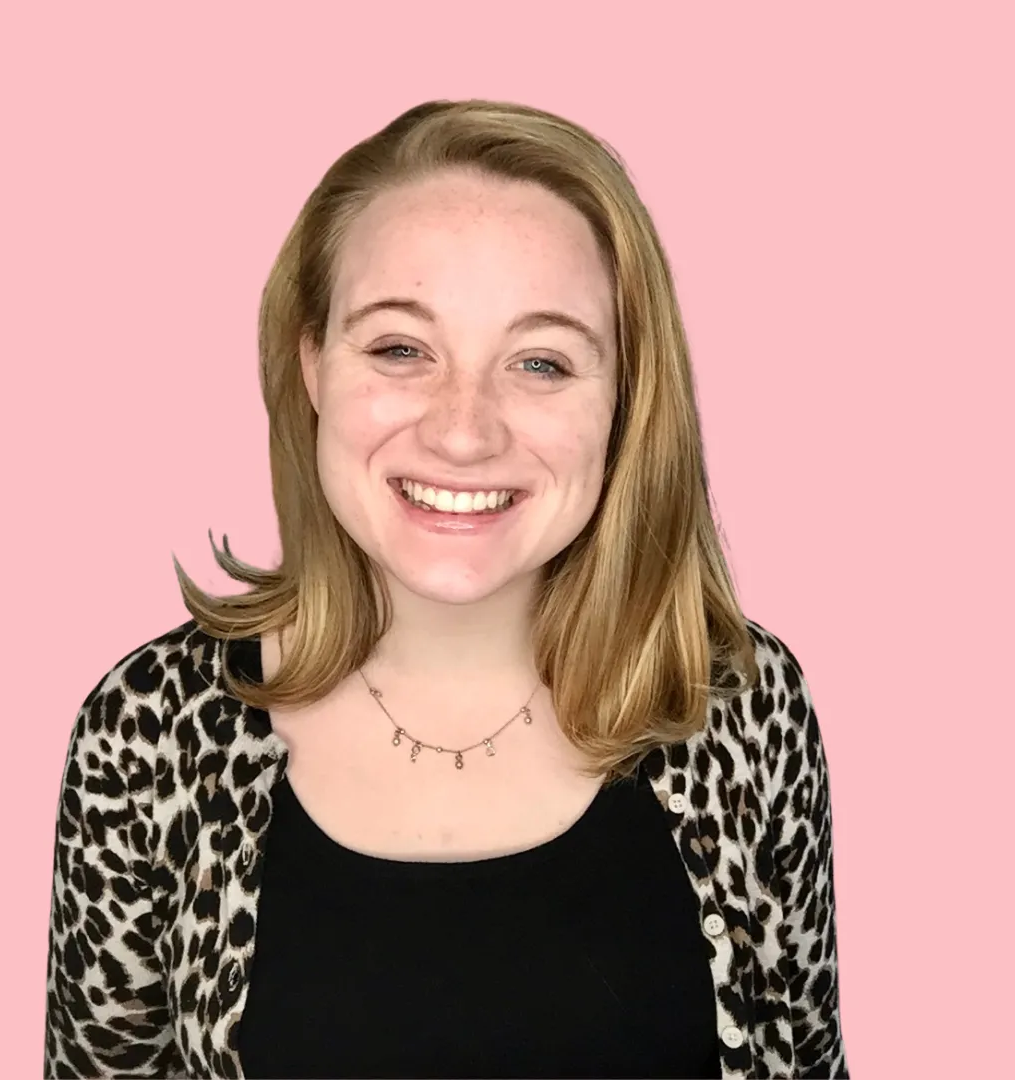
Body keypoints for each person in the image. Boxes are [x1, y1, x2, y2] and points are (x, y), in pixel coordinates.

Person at [42, 99, 849, 1079]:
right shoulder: (148, 732)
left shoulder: (738, 708)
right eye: (399, 349)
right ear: (311, 367)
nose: (463, 432)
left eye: (542, 362)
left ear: (626, 401)